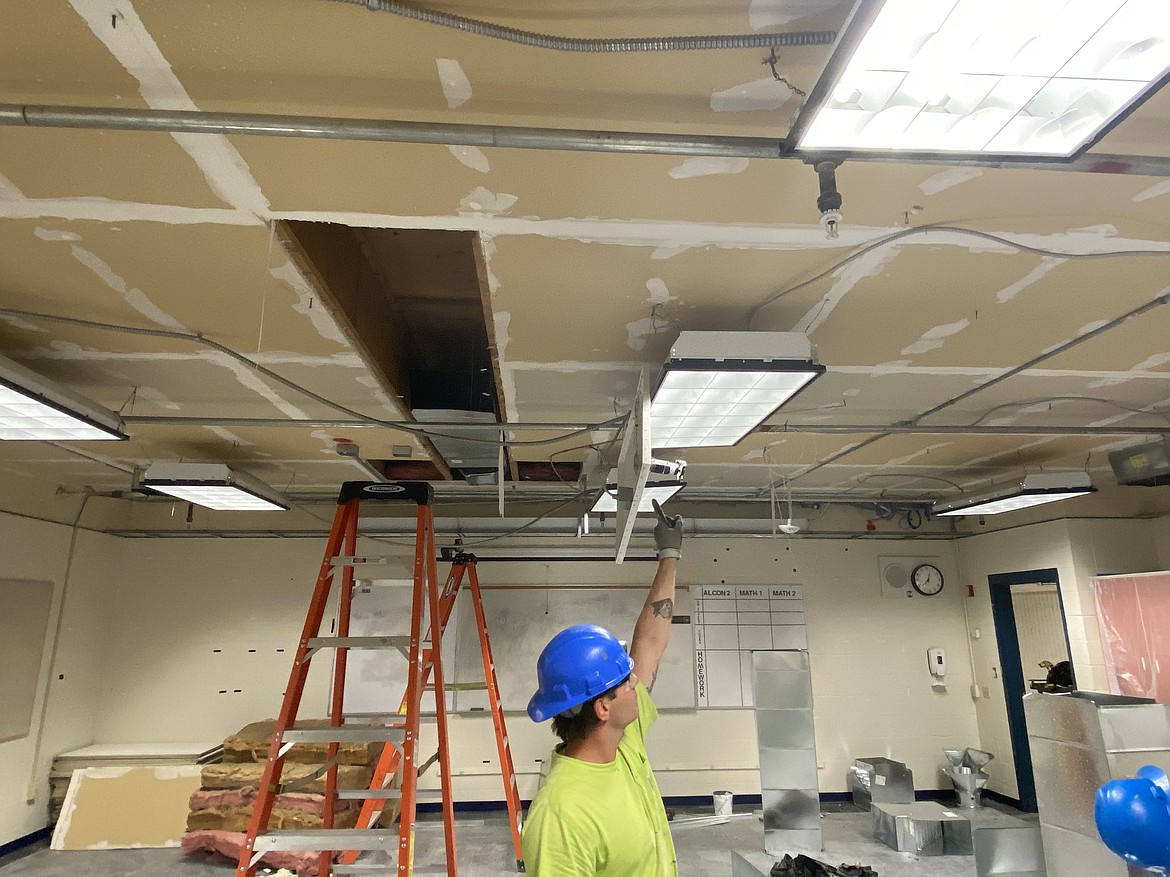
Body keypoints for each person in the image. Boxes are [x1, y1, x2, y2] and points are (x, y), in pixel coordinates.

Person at [520, 500, 684, 877]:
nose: (636, 680)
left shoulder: (625, 745)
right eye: (626, 680)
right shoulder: (561, 814)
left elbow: (649, 644)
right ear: (603, 709)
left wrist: (669, 556)